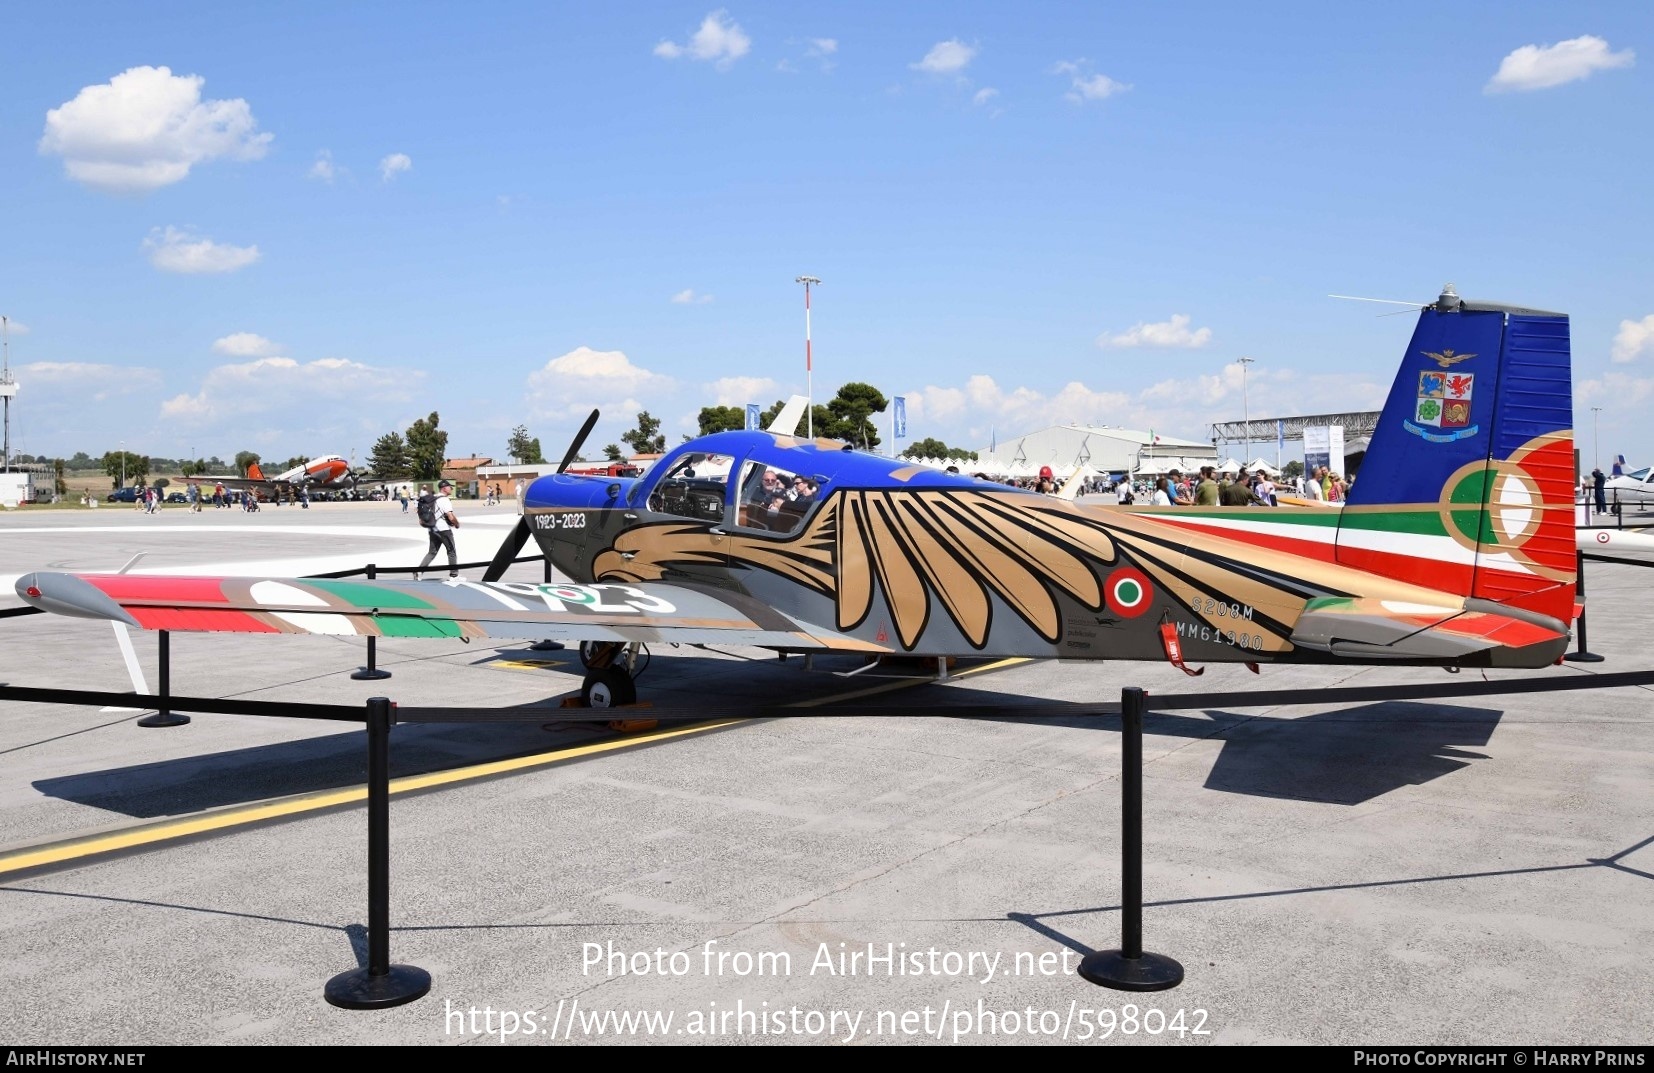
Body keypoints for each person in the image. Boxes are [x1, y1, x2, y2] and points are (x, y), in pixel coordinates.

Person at [416, 480, 462, 580]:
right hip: (444, 529)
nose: (451, 489)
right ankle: (454, 575)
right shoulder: (444, 500)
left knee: (432, 552)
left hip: (433, 529)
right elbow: (450, 516)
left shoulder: (433, 498)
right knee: (451, 551)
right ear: (444, 488)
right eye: (450, 487)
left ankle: (419, 571)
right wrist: (457, 524)